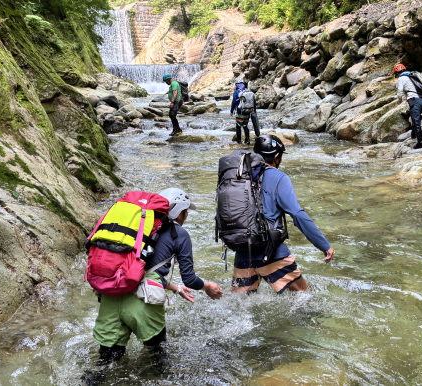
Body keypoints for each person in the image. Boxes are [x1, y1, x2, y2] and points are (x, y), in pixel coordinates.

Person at [92, 188, 223, 365]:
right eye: (186, 212)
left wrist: (175, 288)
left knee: (106, 363)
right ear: (180, 212)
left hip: (110, 295)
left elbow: (137, 268)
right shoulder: (180, 235)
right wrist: (207, 286)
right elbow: (190, 279)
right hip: (142, 303)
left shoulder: (138, 231)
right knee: (157, 359)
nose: (186, 217)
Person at [231, 135, 334, 294]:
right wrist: (324, 245)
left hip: (242, 251)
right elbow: (297, 214)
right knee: (303, 296)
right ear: (277, 156)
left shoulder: (240, 176)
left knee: (239, 307)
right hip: (271, 252)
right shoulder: (279, 177)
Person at [229, 79, 259, 144]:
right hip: (248, 111)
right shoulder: (248, 91)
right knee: (245, 126)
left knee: (238, 126)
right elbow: (253, 101)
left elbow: (234, 102)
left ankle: (239, 141)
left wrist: (232, 111)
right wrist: (254, 109)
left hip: (240, 111)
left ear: (237, 85)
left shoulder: (236, 92)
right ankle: (247, 140)